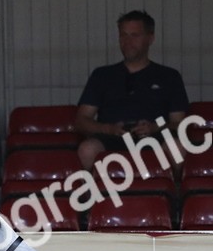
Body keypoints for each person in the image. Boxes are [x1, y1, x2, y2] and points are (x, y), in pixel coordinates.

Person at [74, 10, 190, 170]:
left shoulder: (169, 76)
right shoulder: (102, 75)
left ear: (150, 38)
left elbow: (179, 122)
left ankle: (173, 191)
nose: (128, 41)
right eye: (123, 35)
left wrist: (155, 127)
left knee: (177, 147)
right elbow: (82, 120)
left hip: (155, 137)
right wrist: (108, 129)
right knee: (87, 149)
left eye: (135, 35)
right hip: (112, 138)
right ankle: (94, 193)